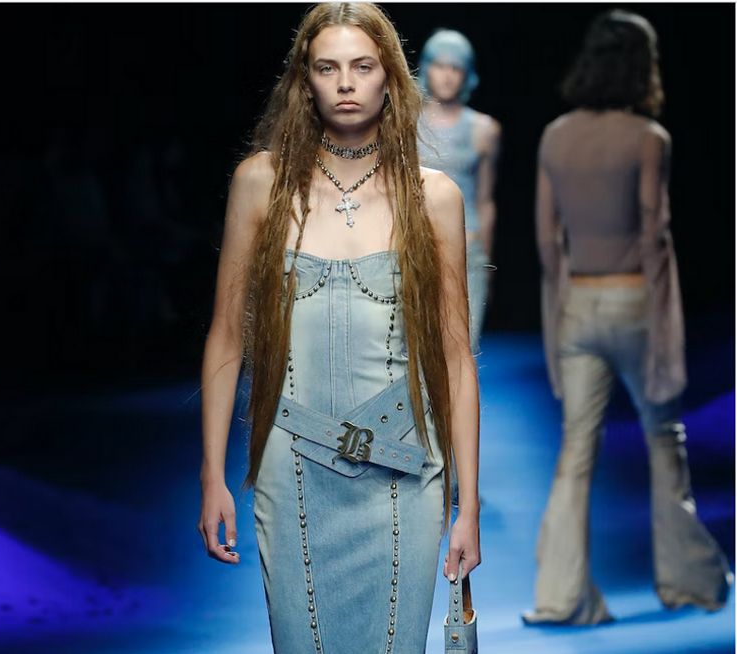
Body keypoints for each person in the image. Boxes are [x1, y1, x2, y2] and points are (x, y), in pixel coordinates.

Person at [197, 4, 481, 652]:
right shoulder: (260, 184)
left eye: (362, 66)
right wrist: (212, 475)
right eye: (327, 68)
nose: (346, 83)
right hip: (292, 468)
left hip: (405, 472)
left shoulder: (434, 197)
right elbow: (226, 336)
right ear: (305, 81)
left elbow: (456, 357)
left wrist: (468, 506)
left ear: (390, 79)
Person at [524, 10, 732, 626]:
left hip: (577, 306)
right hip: (635, 302)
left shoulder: (555, 136)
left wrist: (558, 314)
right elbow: (655, 238)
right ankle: (689, 581)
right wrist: (669, 335)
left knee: (575, 450)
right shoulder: (650, 138)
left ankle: (561, 597)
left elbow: (547, 241)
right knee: (665, 442)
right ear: (643, 67)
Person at [417, 29, 501, 353]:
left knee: (463, 346)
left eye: (456, 67)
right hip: (417, 245)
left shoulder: (484, 129)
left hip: (468, 249)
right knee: (417, 349)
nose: (447, 75)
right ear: (427, 68)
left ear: (467, 74)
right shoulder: (405, 123)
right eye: (440, 65)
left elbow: (486, 199)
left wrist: (487, 262)